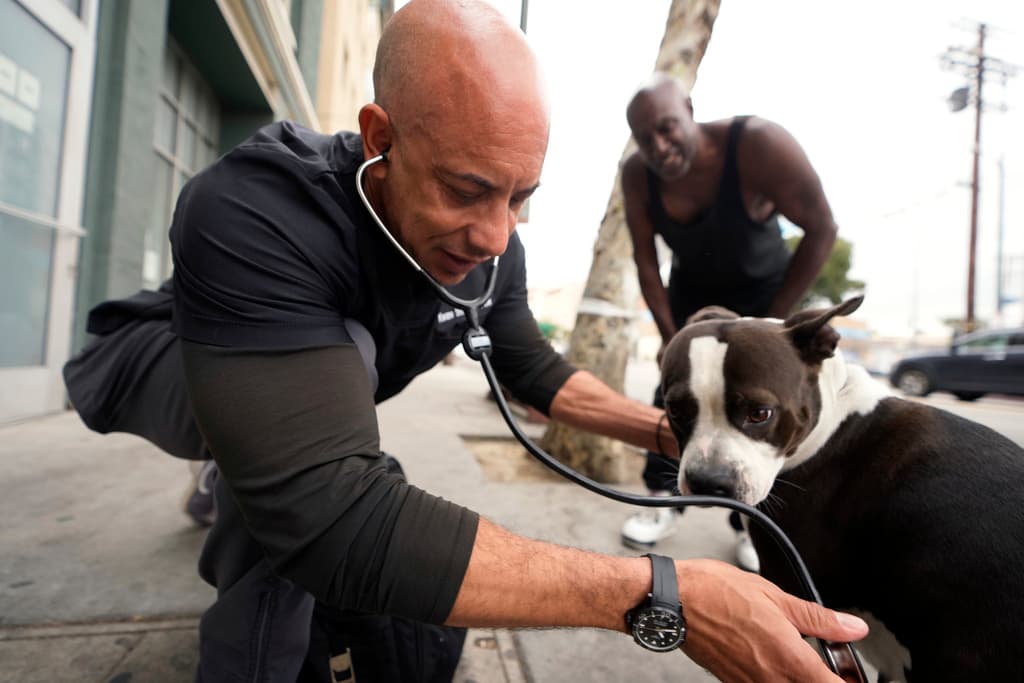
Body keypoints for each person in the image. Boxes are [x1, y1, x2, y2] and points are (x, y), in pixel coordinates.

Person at [80, 2, 868, 680]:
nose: (496, 233)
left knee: (305, 426)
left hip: (289, 390)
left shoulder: (493, 250)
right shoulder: (255, 211)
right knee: (288, 500)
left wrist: (688, 432)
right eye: (468, 188)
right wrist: (663, 593)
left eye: (522, 197)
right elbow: (334, 520)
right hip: (156, 355)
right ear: (380, 137)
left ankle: (243, 456)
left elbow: (535, 372)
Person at [618, 73, 839, 570]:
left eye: (668, 127)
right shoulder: (637, 173)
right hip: (691, 298)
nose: (659, 145)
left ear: (690, 110)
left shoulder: (758, 144)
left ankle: (748, 523)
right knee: (676, 398)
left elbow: (822, 226)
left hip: (765, 297)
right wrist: (670, 335)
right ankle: (662, 500)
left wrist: (777, 328)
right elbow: (645, 260)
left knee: (757, 414)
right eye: (645, 137)